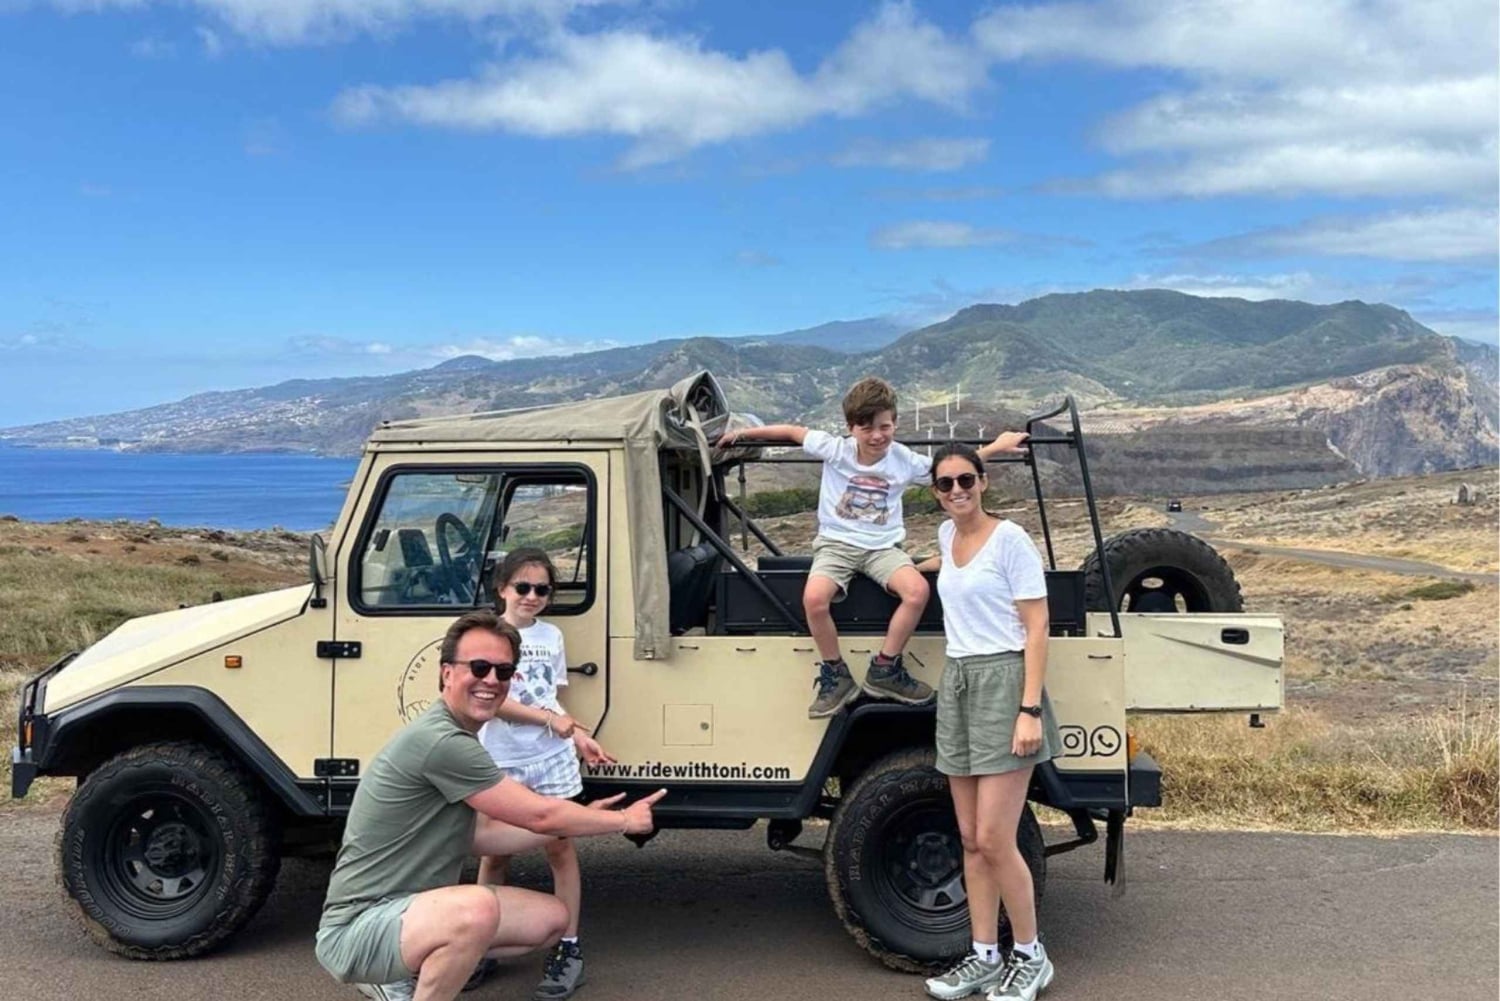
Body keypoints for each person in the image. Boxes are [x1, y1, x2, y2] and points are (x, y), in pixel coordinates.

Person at [314, 610, 665, 1001]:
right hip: (357, 927)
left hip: (408, 914)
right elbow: (540, 814)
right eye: (479, 667)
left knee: (551, 920)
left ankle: (398, 968)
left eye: (504, 671)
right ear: (447, 673)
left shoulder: (458, 735)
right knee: (477, 909)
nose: (492, 680)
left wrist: (583, 820)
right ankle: (394, 978)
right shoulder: (443, 741)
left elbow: (484, 835)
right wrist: (624, 820)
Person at [718, 376, 1026, 717]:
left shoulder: (902, 459)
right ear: (851, 428)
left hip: (883, 547)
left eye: (885, 426)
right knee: (814, 599)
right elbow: (792, 432)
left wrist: (996, 447)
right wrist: (743, 435)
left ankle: (885, 667)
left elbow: (951, 470)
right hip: (836, 544)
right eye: (867, 428)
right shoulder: (836, 449)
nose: (877, 436)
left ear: (895, 423)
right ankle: (835, 672)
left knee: (917, 591)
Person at [915, 443, 1060, 1001]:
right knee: (972, 839)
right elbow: (946, 568)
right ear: (935, 492)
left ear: (983, 482)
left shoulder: (1010, 540)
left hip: (1004, 682)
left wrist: (1029, 709)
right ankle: (983, 956)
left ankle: (1031, 955)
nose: (957, 491)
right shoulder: (946, 537)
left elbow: (1037, 627)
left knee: (998, 839)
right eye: (946, 483)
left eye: (966, 480)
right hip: (959, 681)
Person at [475, 548, 615, 1000]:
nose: (532, 596)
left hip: (549, 756)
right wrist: (554, 722)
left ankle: (567, 947)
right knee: (495, 852)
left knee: (560, 848)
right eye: (523, 587)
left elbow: (550, 696)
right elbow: (493, 701)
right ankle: (481, 940)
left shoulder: (552, 635)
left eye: (542, 589)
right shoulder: (487, 636)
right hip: (501, 757)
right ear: (502, 588)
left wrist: (578, 736)